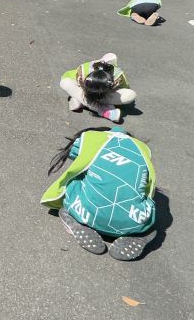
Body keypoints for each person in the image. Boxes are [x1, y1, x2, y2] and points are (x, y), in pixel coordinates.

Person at [40, 127, 157, 261]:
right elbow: (148, 188)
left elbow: (74, 153)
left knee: (78, 178)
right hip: (133, 223)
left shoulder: (92, 137)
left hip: (89, 215)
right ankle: (141, 233)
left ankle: (73, 216)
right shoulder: (143, 150)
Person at [59, 53, 135, 124]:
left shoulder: (118, 78)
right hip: (84, 91)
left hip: (103, 95)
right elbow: (65, 78)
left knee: (130, 95)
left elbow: (126, 91)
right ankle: (103, 110)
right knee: (65, 82)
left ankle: (82, 101)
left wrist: (114, 89)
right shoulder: (83, 71)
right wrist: (81, 85)